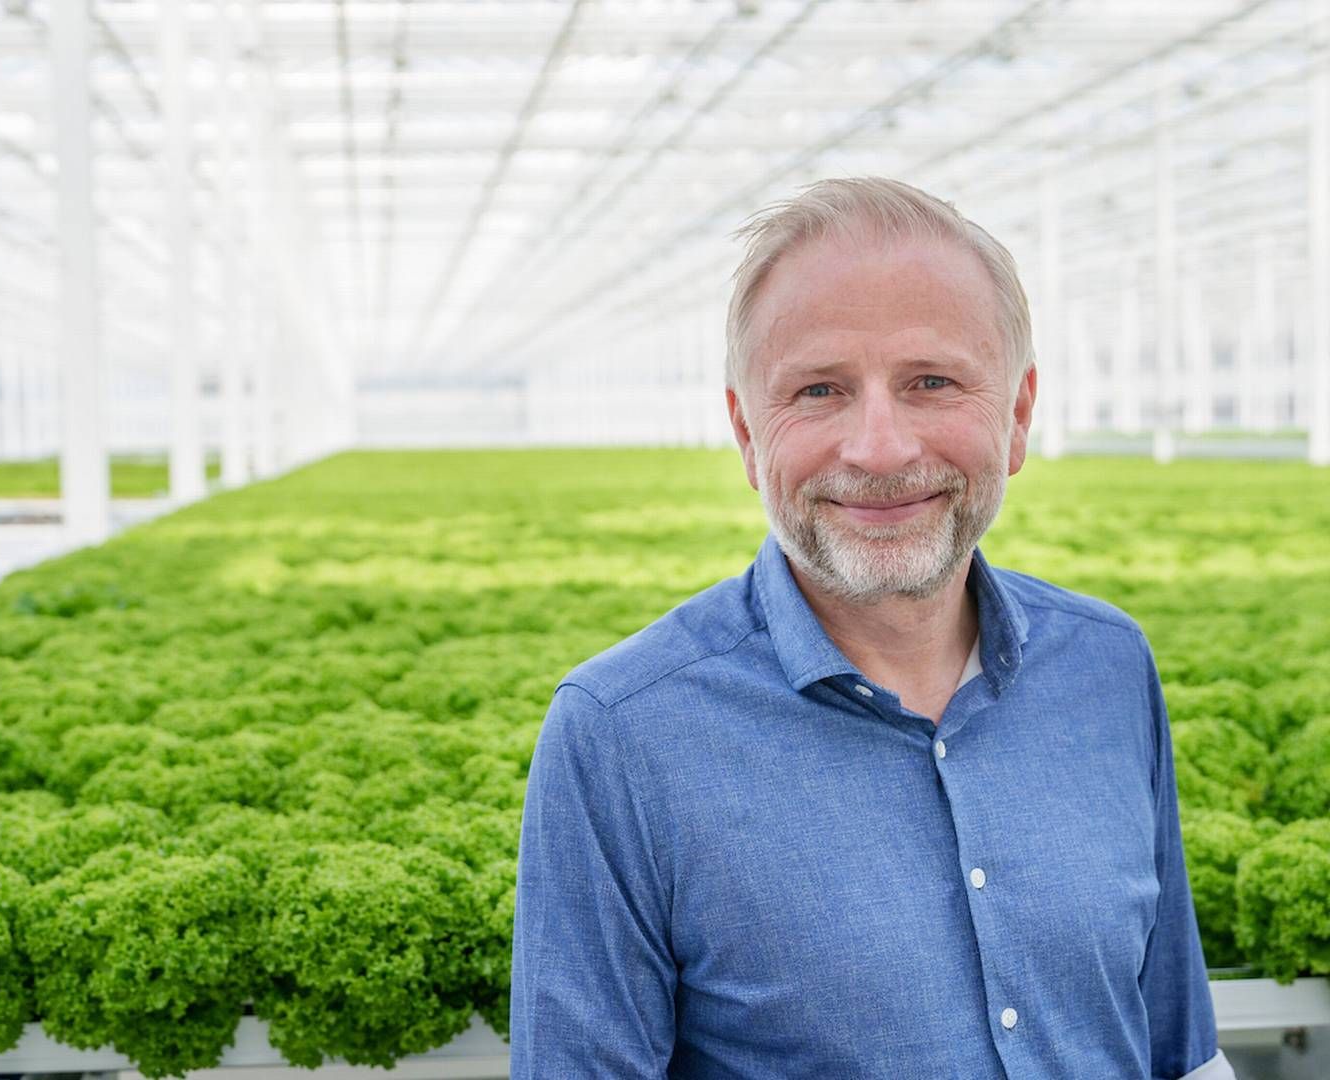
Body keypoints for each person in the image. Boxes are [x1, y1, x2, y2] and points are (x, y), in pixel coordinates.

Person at [509, 177, 1233, 1079]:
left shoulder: (1107, 666)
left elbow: (1178, 1052)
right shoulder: (619, 737)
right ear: (746, 432)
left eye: (932, 382)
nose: (880, 448)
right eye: (818, 391)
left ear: (1016, 414)